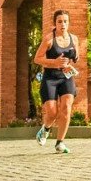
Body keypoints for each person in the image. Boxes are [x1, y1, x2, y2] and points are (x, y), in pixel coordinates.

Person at [32, 10, 80, 154]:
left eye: (65, 21)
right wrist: (55, 62)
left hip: (66, 76)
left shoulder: (74, 38)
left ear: (68, 23)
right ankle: (45, 129)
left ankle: (60, 143)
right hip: (50, 78)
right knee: (52, 113)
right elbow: (37, 59)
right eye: (59, 21)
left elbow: (77, 56)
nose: (63, 24)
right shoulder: (49, 39)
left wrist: (74, 58)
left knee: (66, 107)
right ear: (55, 23)